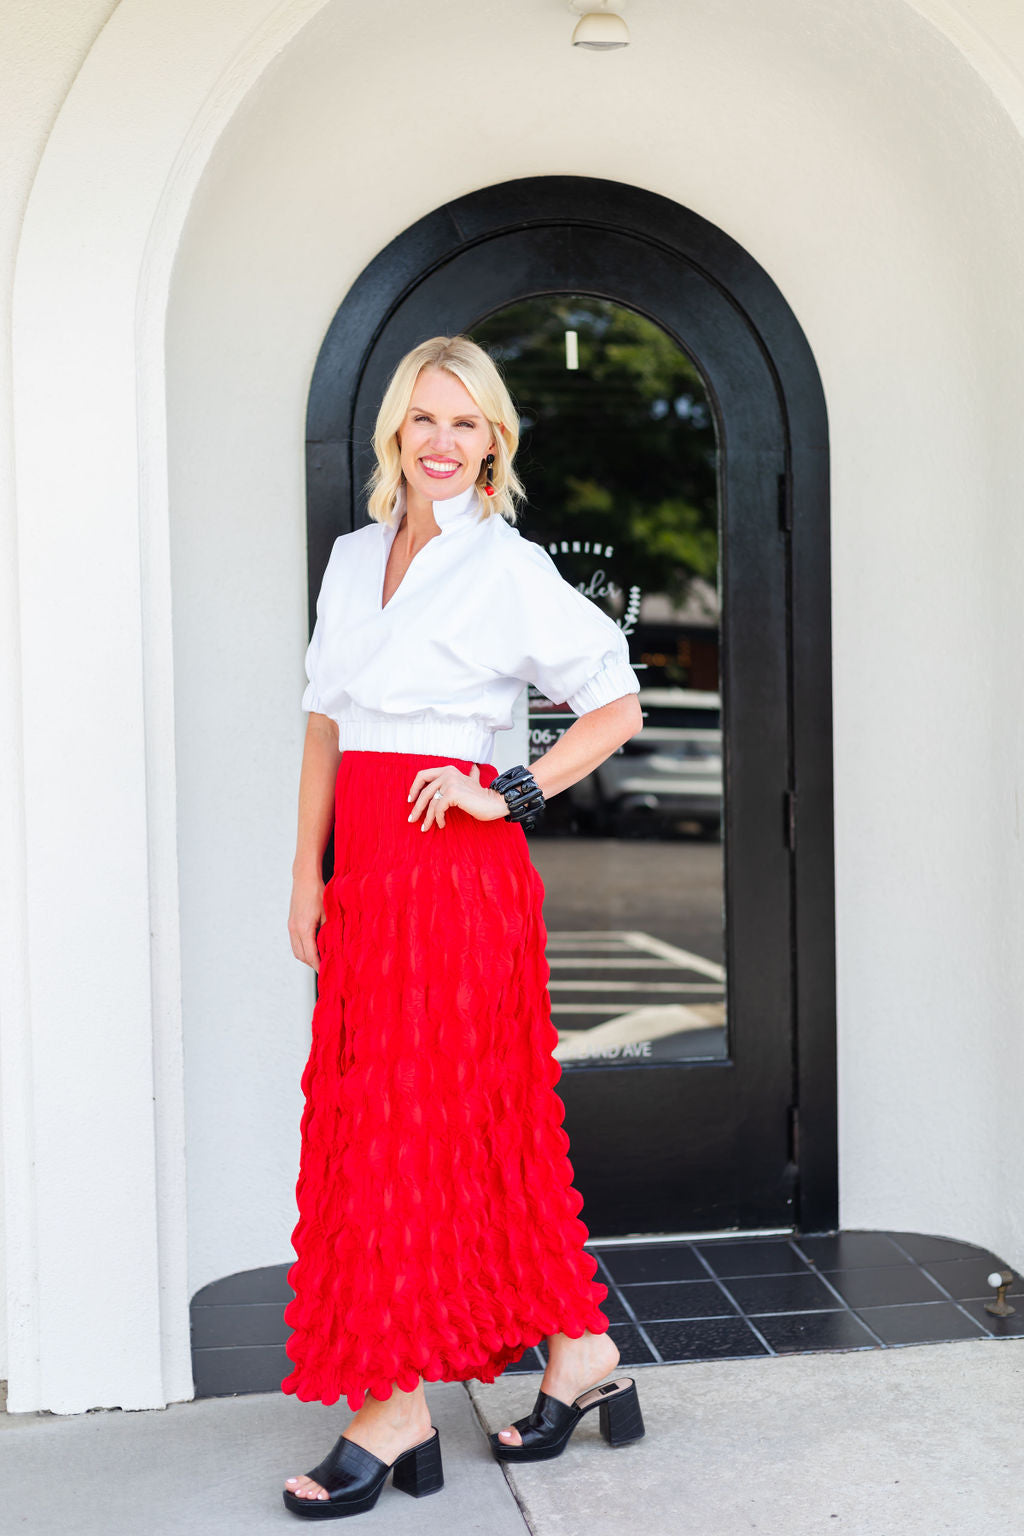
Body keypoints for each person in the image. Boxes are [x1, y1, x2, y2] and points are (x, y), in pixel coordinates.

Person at [281, 335, 646, 1519]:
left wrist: (512, 789)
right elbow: (327, 725)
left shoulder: (507, 566)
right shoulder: (350, 560)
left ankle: (389, 1415)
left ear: (495, 441)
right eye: (423, 420)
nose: (442, 441)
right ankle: (580, 1355)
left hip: (457, 874)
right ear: (397, 432)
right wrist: (305, 874)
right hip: (369, 871)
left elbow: (615, 703)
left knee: (408, 1128)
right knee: (435, 1126)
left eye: (466, 423)